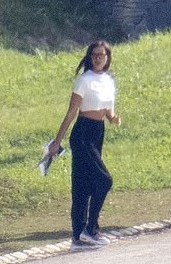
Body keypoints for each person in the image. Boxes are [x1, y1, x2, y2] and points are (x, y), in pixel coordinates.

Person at [48, 40, 121, 249]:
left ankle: (78, 235)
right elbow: (71, 112)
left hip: (98, 131)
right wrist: (57, 141)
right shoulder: (84, 80)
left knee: (86, 184)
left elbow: (108, 110)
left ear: (107, 58)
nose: (98, 58)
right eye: (95, 55)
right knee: (104, 180)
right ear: (90, 58)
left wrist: (114, 118)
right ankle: (91, 229)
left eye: (102, 55)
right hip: (82, 133)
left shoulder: (108, 80)